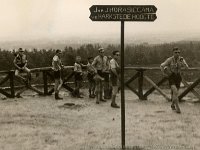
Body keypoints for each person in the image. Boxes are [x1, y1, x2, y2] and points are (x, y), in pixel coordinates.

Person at [160, 47, 189, 113]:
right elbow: (161, 65)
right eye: (176, 52)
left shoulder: (181, 59)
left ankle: (173, 104)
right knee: (175, 91)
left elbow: (187, 67)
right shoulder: (169, 60)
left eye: (179, 52)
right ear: (173, 53)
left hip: (178, 77)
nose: (177, 54)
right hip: (172, 77)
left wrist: (183, 63)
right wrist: (164, 74)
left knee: (175, 93)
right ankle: (178, 108)